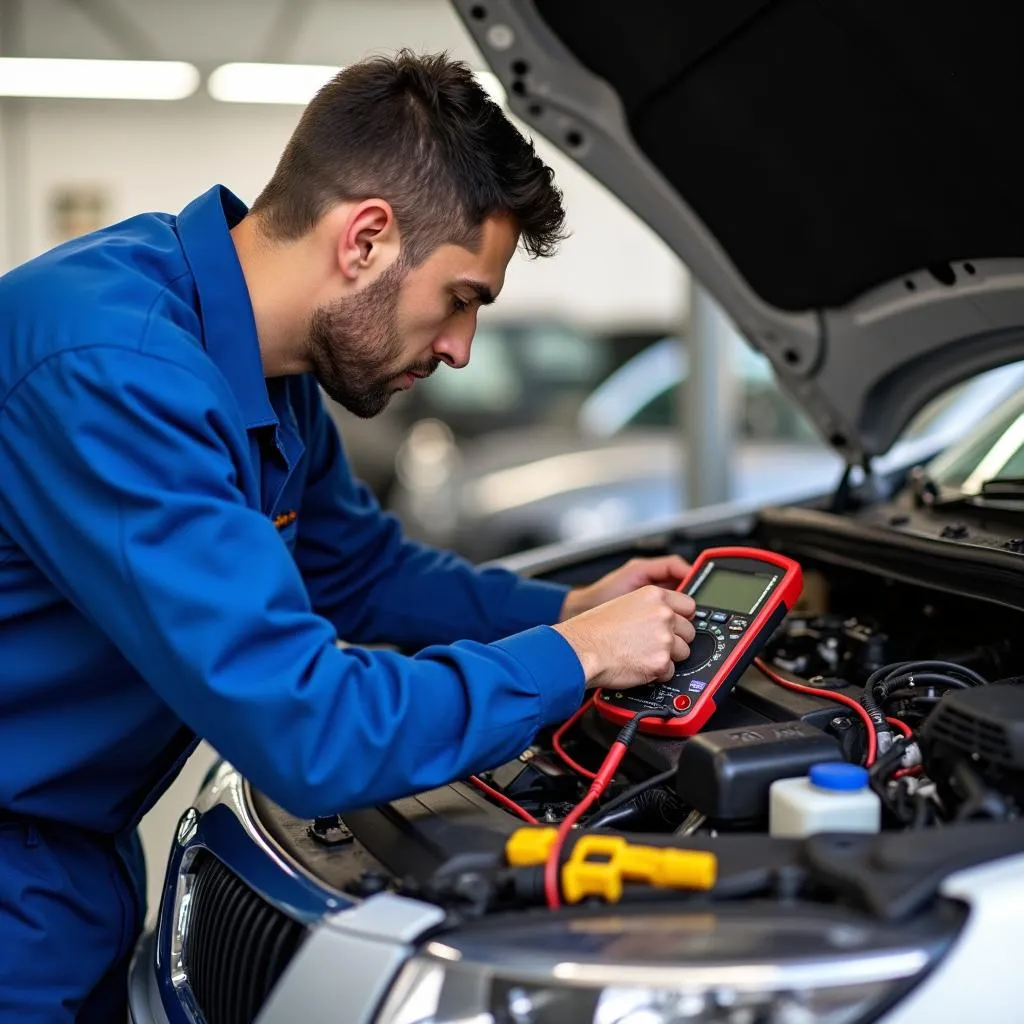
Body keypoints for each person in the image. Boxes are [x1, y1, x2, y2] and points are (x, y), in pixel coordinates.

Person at [0, 51, 696, 1021]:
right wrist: (568, 659)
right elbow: (309, 726)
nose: (459, 348)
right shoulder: (117, 371)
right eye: (461, 298)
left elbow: (363, 573)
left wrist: (573, 607)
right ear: (366, 239)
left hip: (71, 860)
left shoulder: (262, 365)